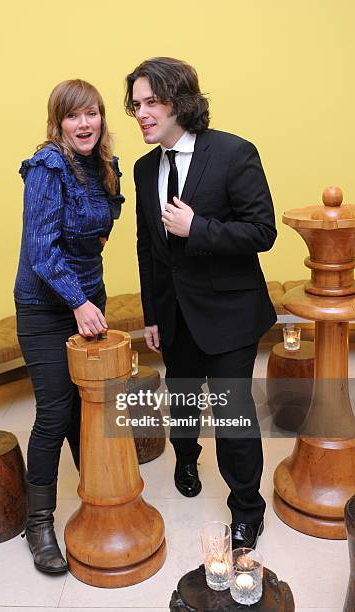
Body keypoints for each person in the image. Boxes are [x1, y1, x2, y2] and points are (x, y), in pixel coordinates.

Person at [124, 57, 276, 550]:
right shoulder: (146, 169)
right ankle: (185, 458)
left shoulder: (234, 152)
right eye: (136, 104)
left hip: (230, 314)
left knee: (234, 416)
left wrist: (199, 228)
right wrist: (152, 313)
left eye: (151, 102)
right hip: (173, 314)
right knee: (184, 398)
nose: (141, 113)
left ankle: (247, 509)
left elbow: (262, 232)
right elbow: (148, 247)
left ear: (180, 103)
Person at [14, 79, 123, 573]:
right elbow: (41, 252)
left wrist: (91, 263)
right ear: (58, 123)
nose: (85, 124)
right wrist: (78, 301)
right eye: (74, 116)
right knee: (56, 413)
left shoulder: (105, 166)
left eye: (93, 114)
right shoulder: (47, 166)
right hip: (46, 305)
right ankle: (38, 523)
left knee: (91, 405)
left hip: (86, 298)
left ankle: (96, 491)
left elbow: (104, 221)